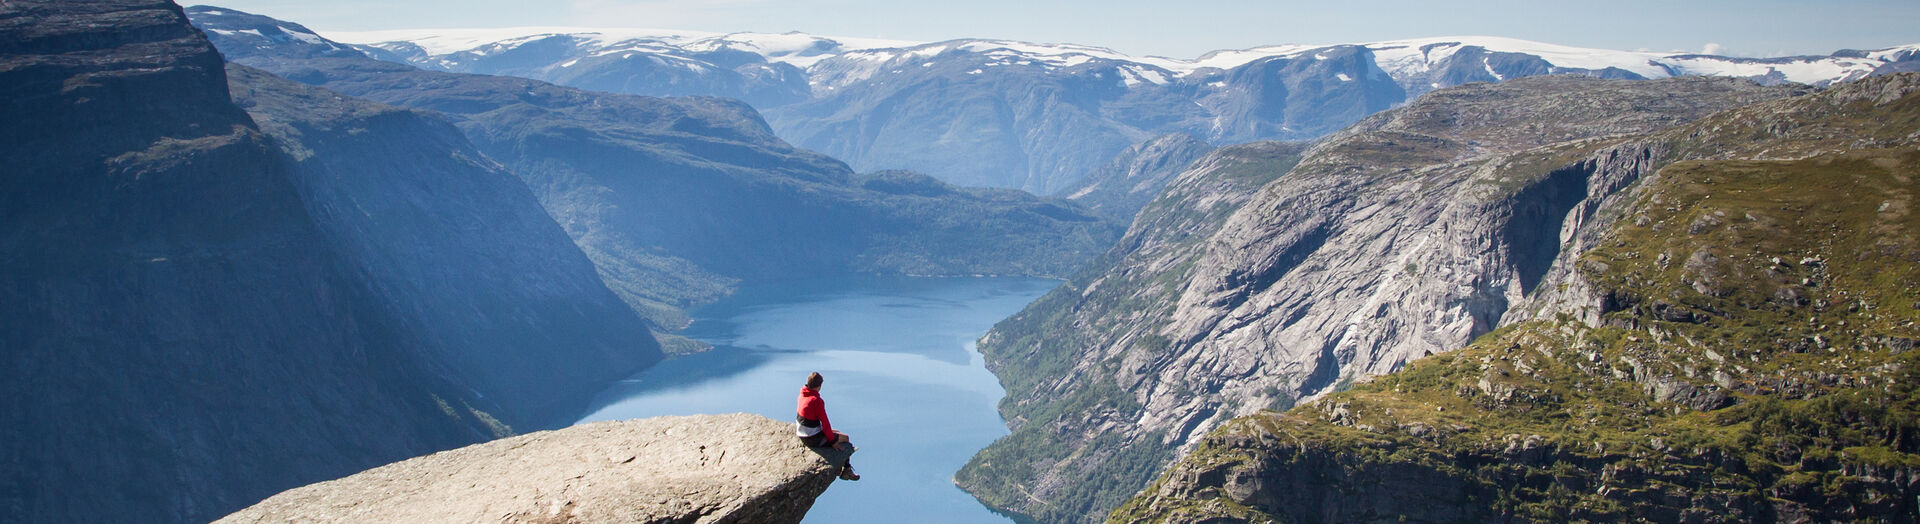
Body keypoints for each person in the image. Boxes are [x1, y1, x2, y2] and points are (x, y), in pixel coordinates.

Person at [796, 371, 859, 481]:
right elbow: (825, 423)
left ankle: (843, 468)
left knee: (836, 432)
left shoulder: (802, 394)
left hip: (802, 433)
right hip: (812, 438)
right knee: (845, 438)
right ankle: (846, 471)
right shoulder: (816, 401)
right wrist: (833, 442)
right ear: (819, 386)